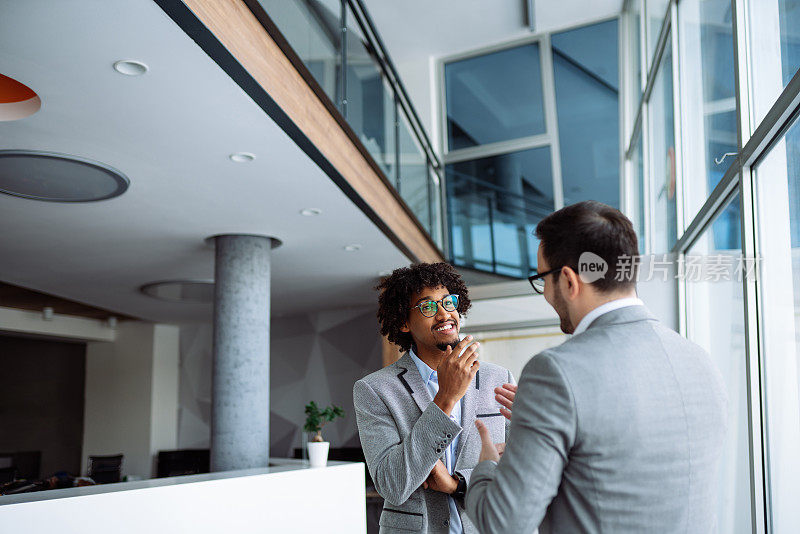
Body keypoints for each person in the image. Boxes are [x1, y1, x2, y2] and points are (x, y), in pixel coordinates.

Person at [466, 201, 728, 533]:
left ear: (569, 281)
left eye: (542, 279)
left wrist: (486, 462)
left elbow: (503, 522)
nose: (544, 292)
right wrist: (550, 426)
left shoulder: (556, 372)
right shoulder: (699, 359)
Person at [354, 262, 516, 534]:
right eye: (428, 307)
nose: (444, 314)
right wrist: (445, 398)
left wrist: (458, 484)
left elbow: (520, 467)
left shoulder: (498, 379)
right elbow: (393, 485)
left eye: (448, 302)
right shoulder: (375, 390)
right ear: (404, 323)